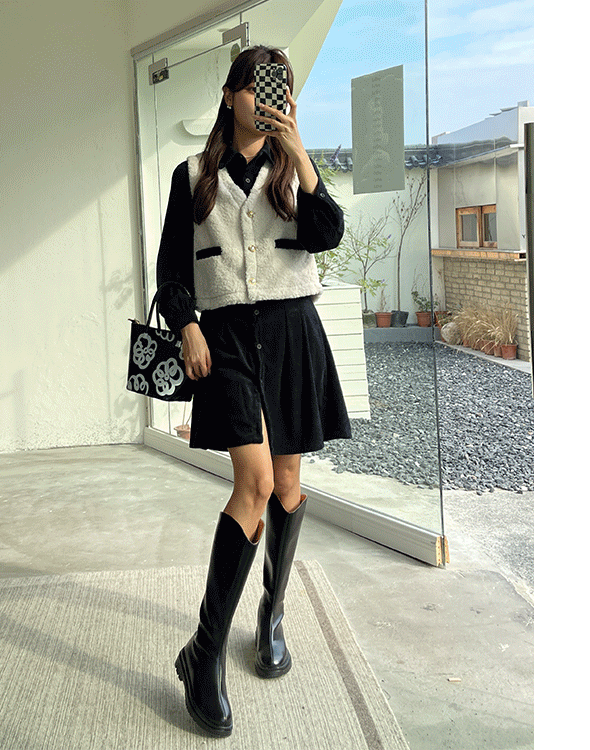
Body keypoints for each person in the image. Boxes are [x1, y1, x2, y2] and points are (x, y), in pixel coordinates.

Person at [156, 45, 352, 737]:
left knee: (288, 484)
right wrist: (187, 324)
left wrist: (299, 152)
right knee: (256, 482)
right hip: (228, 341)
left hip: (293, 334)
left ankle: (271, 613)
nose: (269, 100)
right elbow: (171, 268)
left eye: (281, 90)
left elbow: (328, 233)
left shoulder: (292, 169)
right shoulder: (193, 175)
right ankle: (203, 652)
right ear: (231, 93)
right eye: (258, 87)